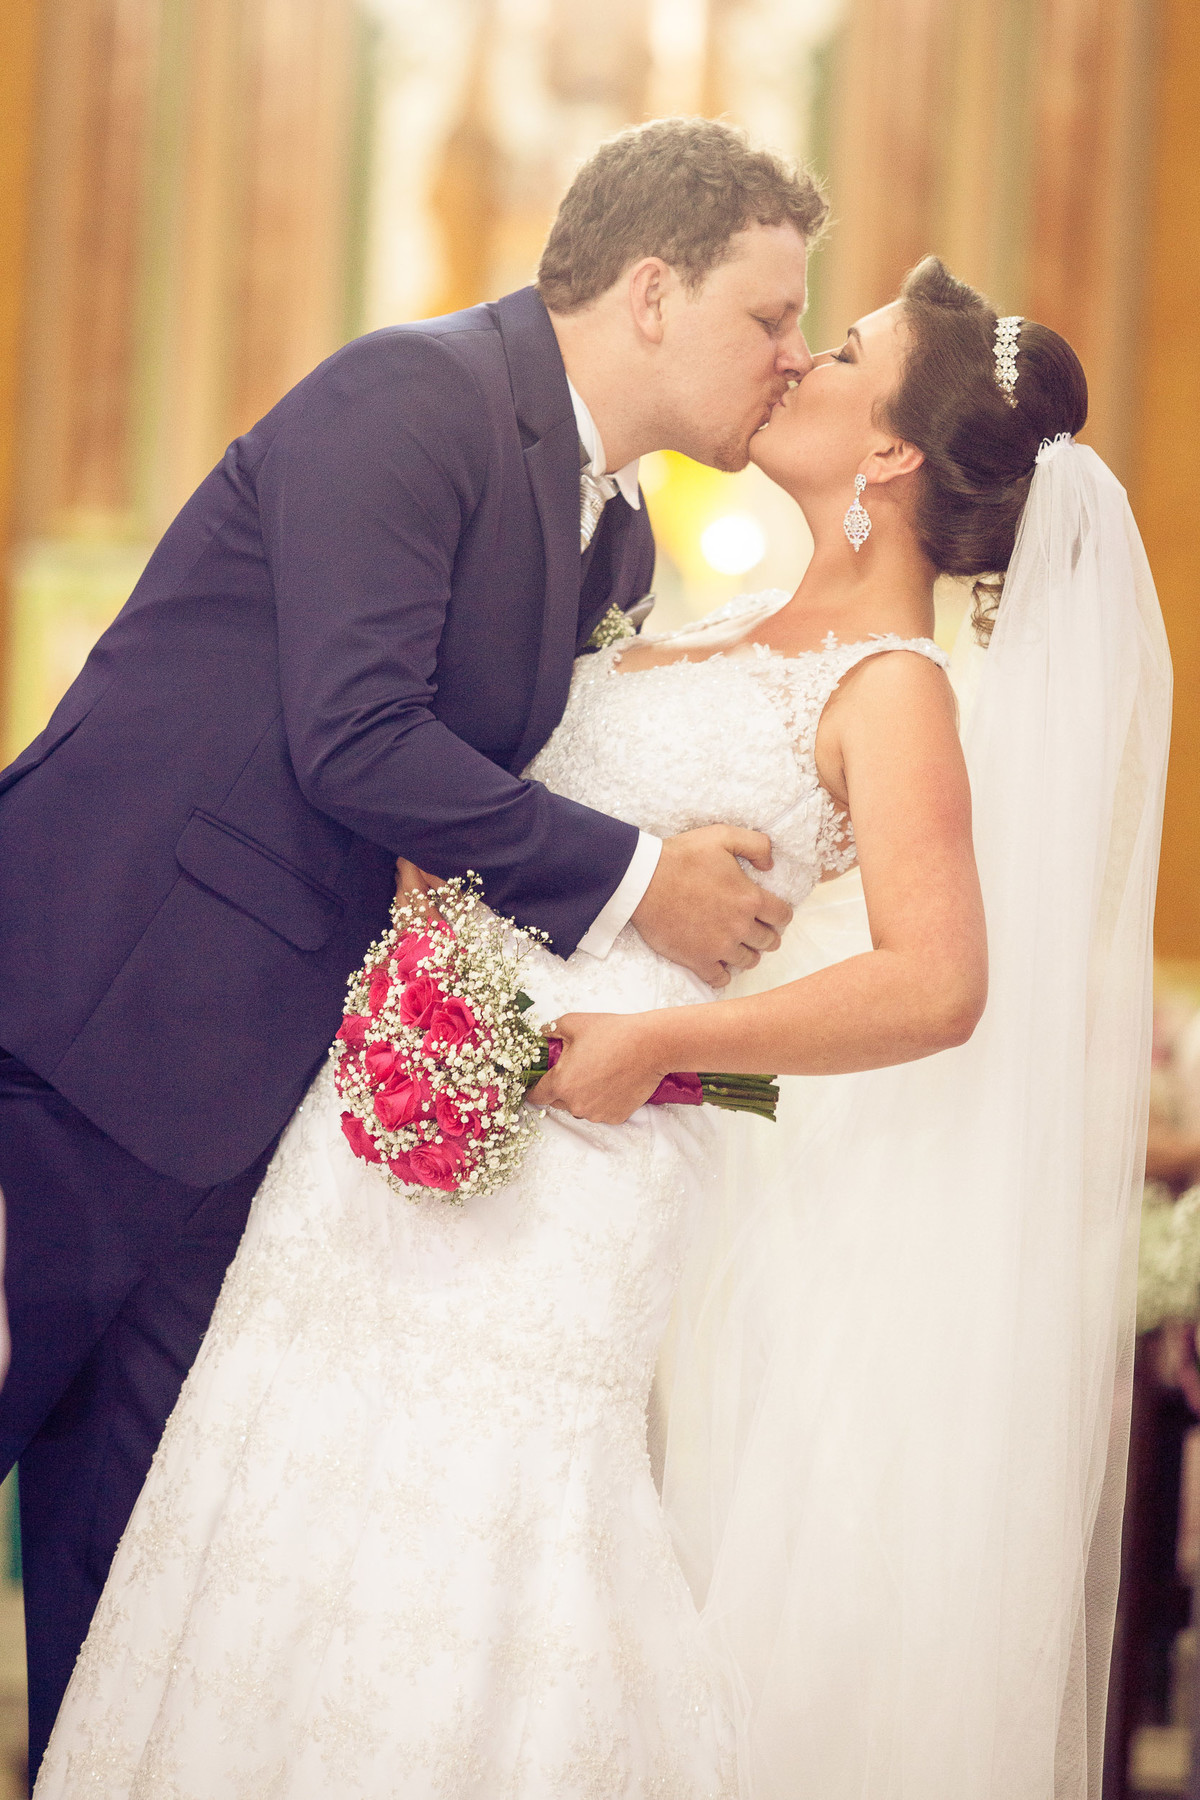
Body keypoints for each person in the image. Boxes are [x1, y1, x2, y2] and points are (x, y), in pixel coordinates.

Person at [34, 257, 1167, 1797]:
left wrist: (670, 1051)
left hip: (575, 1173)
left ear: (891, 452)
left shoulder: (891, 691)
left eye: (838, 350)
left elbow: (940, 982)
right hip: (385, 1127)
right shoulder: (674, 598)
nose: (798, 363)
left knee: (478, 1532)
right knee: (282, 1480)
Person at [0, 119, 825, 1778]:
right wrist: (642, 881)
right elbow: (357, 738)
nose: (791, 358)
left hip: (257, 1091)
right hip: (92, 1026)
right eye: (771, 315)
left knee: (128, 1543)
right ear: (652, 293)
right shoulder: (417, 397)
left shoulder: (618, 541)